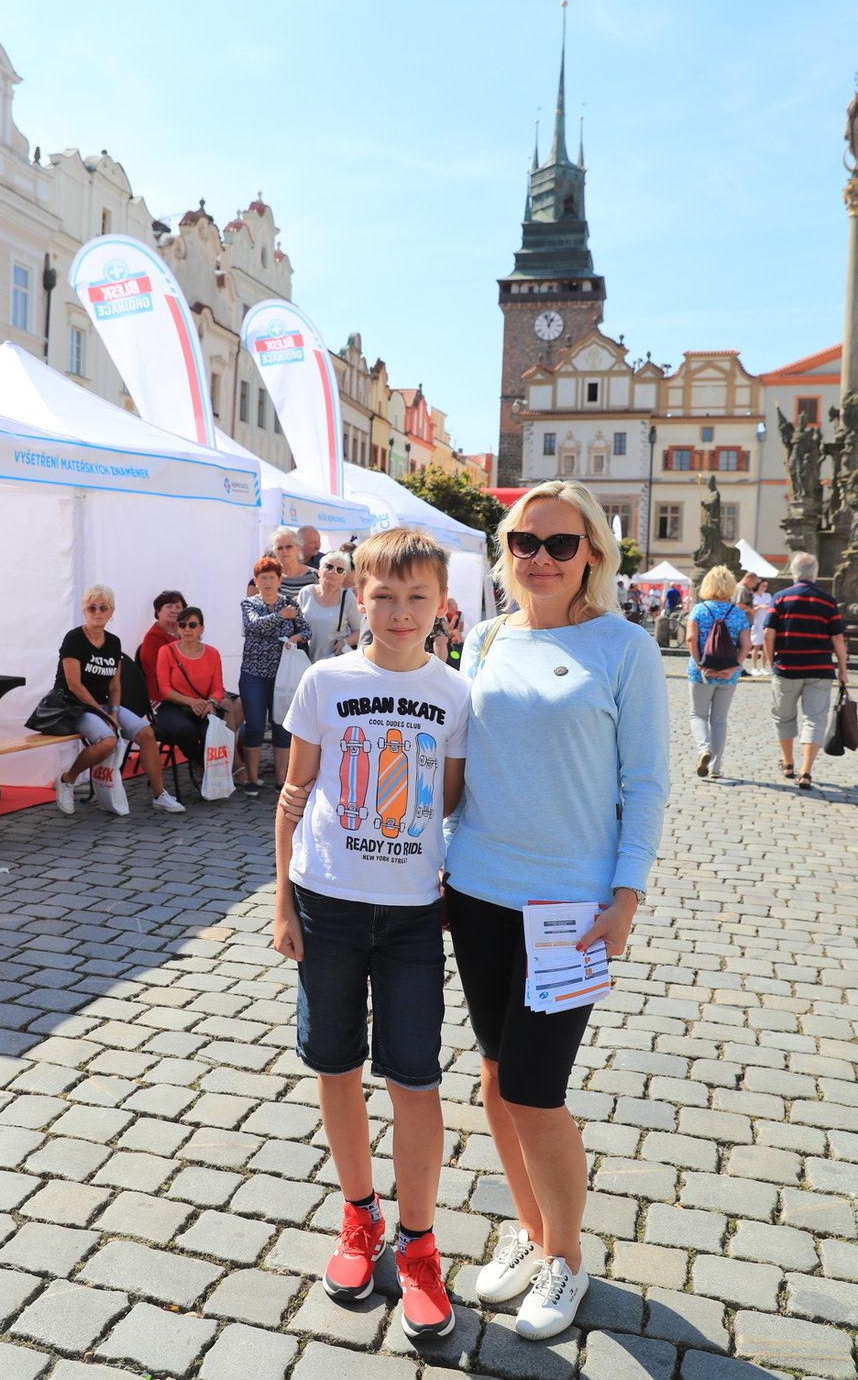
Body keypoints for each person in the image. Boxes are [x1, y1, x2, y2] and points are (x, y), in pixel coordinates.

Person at [443, 480, 668, 1341]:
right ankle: (533, 1232)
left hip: (567, 907)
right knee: (498, 1078)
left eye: (560, 544)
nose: (540, 557)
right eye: (524, 541)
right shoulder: (487, 637)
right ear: (506, 551)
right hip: (477, 888)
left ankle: (566, 1258)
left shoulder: (625, 648)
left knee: (538, 1090)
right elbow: (462, 768)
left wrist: (626, 894)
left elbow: (645, 783)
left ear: (593, 557)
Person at [274, 529, 470, 1340]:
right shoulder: (325, 679)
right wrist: (283, 903)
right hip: (328, 901)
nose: (397, 611)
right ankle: (360, 1215)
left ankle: (419, 1243)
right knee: (335, 1061)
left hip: (414, 916)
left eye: (415, 597)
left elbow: (451, 804)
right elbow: (291, 796)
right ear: (358, 595)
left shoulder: (456, 692)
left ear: (440, 606)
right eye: (382, 595)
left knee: (415, 1074)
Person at [52, 585, 185, 816]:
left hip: (104, 706)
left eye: (103, 607)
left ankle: (159, 794)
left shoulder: (113, 642)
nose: (97, 612)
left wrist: (113, 712)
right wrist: (105, 716)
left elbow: (115, 684)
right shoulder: (74, 638)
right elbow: (74, 685)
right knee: (107, 741)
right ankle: (67, 779)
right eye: (92, 607)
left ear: (111, 611)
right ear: (84, 610)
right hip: (75, 706)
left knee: (146, 733)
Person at [764, 552, 848, 790]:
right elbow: (838, 638)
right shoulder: (827, 601)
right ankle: (805, 771)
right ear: (815, 573)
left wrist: (772, 663)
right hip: (820, 669)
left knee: (783, 716)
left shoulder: (780, 599)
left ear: (793, 572)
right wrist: (843, 670)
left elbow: (769, 635)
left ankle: (788, 763)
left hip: (786, 667)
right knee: (815, 719)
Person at [239, 556, 311, 796]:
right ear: (256, 581)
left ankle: (282, 781)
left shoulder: (290, 604)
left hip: (284, 677)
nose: (267, 582)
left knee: (282, 727)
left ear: (279, 580)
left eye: (271, 577)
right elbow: (253, 626)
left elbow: (307, 630)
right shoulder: (248, 604)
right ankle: (252, 779)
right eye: (263, 578)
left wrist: (294, 638)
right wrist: (281, 617)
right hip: (254, 674)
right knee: (255, 726)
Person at [155, 606, 243, 778]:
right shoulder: (166, 651)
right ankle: (197, 762)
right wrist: (191, 701)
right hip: (173, 706)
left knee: (210, 732)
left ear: (201, 628)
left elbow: (217, 687)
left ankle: (211, 771)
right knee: (186, 731)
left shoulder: (212, 653)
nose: (187, 629)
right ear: (177, 628)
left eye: (192, 625)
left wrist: (211, 703)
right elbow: (165, 690)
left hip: (203, 705)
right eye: (182, 625)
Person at [684, 566, 751, 780]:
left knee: (698, 715)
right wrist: (734, 667)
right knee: (719, 720)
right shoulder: (738, 613)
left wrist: (700, 665)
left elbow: (690, 640)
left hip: (701, 674)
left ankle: (704, 749)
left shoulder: (699, 610)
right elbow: (746, 644)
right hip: (728, 675)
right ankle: (716, 768)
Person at [297, 552, 362, 662]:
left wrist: (346, 642)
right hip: (305, 660)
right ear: (319, 571)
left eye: (339, 570)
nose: (333, 572)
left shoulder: (347, 598)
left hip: (333, 661)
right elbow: (296, 625)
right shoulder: (306, 592)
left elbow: (359, 630)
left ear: (343, 577)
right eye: (329, 567)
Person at [139, 589, 187, 701]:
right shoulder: (153, 638)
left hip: (187, 690)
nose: (174, 610)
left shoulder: (186, 633)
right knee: (224, 706)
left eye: (178, 607)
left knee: (234, 702)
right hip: (164, 697)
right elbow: (161, 675)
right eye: (169, 606)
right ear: (158, 611)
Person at [269, 528, 318, 601]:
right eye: (279, 548)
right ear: (275, 552)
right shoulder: (270, 576)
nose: (284, 551)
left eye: (289, 547)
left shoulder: (314, 576)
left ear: (298, 548)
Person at [748, 580, 773, 675]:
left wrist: (762, 606)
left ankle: (763, 667)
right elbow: (751, 609)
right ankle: (754, 667)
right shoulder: (753, 595)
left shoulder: (767, 595)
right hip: (756, 623)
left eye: (766, 586)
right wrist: (759, 607)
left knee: (765, 646)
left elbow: (770, 607)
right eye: (763, 585)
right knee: (756, 645)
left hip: (765, 622)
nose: (764, 588)